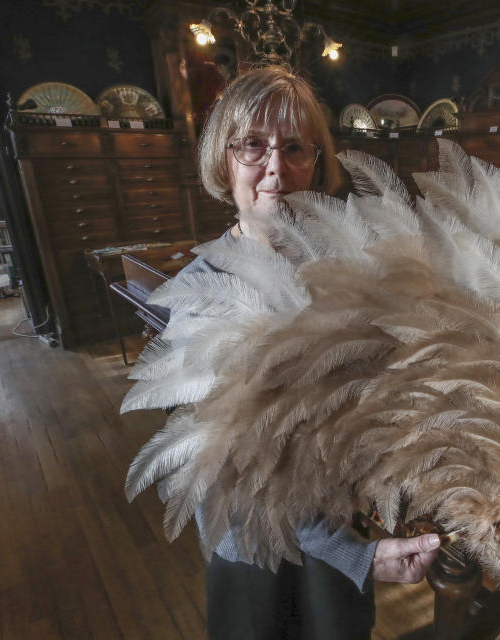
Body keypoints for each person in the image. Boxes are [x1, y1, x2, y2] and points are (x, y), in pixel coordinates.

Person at [183, 66, 442, 639]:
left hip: (344, 528)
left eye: (295, 147)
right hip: (255, 550)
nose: (275, 167)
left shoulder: (344, 271)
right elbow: (243, 470)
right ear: (224, 162)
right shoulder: (202, 294)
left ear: (316, 163)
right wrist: (355, 556)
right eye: (253, 145)